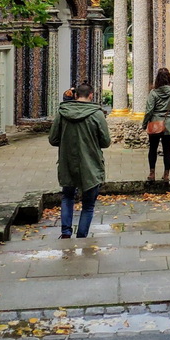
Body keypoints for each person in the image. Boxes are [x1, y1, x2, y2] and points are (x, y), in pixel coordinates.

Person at [48, 83, 111, 239]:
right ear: (91, 95)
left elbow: (53, 139)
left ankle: (66, 233)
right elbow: (105, 142)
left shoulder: (62, 113)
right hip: (91, 164)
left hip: (67, 162)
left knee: (67, 197)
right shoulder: (97, 114)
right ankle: (81, 237)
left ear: (76, 96)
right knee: (88, 205)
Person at [142, 67, 170, 182]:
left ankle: (152, 174)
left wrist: (145, 123)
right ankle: (166, 175)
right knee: (167, 149)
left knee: (153, 149)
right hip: (169, 124)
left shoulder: (153, 93)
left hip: (155, 123)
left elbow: (149, 110)